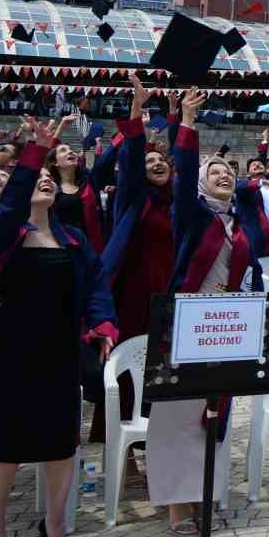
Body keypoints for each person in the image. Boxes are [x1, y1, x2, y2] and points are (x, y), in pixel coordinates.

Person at [0, 114, 117, 537]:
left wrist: (104, 325)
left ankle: (54, 524)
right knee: (7, 448)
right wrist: (36, 150)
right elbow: (9, 205)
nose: (47, 183)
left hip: (57, 353)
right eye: (39, 178)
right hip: (8, 353)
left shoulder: (72, 238)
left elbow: (96, 287)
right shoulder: (3, 231)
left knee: (60, 444)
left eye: (52, 180)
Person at [148, 90, 264, 535]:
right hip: (187, 323)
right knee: (179, 414)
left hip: (229, 327)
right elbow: (178, 185)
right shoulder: (192, 217)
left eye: (228, 171)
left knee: (215, 415)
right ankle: (177, 505)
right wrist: (189, 122)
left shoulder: (240, 222)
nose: (224, 175)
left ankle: (208, 495)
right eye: (214, 171)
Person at [92, 72, 175, 452]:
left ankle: (154, 445)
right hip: (132, 296)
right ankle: (118, 449)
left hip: (169, 299)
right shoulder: (132, 201)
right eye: (149, 160)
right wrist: (137, 111)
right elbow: (130, 156)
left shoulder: (183, 207)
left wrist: (178, 122)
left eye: (162, 160)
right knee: (129, 373)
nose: (156, 164)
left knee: (162, 374)